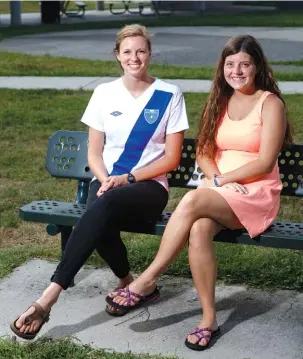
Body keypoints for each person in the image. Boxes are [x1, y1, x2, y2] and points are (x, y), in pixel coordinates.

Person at [106, 35, 293, 351]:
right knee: (199, 228)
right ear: (222, 68)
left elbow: (264, 161)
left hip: (254, 193)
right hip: (221, 190)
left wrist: (222, 182)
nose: (236, 71)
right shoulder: (221, 100)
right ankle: (209, 319)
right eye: (230, 64)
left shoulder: (270, 103)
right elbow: (204, 152)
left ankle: (146, 280)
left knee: (192, 199)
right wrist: (218, 178)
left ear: (257, 66)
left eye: (244, 64)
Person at [10, 24, 189, 340]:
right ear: (118, 56)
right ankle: (128, 283)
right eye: (128, 52)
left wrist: (126, 178)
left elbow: (171, 160)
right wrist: (106, 179)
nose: (135, 58)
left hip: (148, 186)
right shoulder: (104, 93)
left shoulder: (169, 94)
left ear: (150, 54)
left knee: (99, 207)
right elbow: (94, 151)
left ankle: (48, 298)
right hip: (107, 182)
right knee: (100, 211)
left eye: (141, 51)